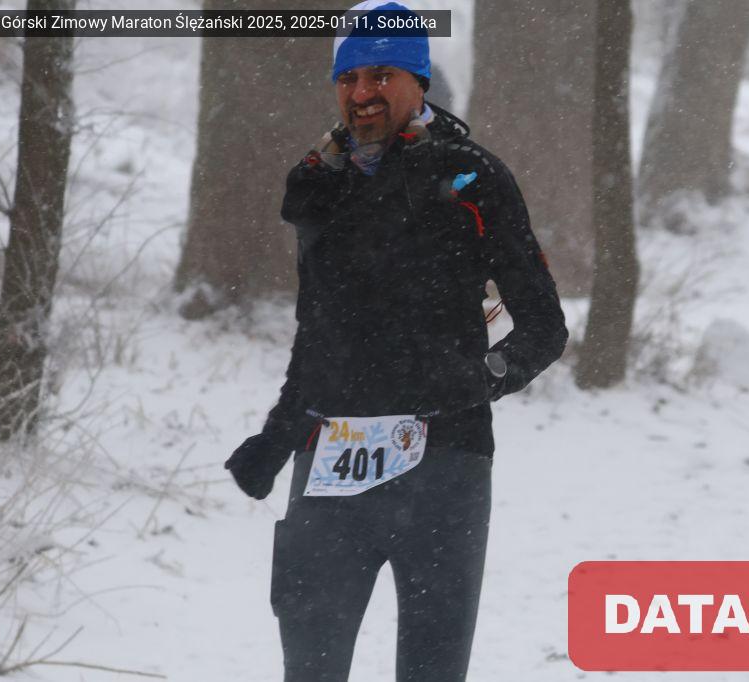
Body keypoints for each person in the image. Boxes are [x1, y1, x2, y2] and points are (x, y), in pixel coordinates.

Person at [224, 2, 567, 680]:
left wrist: (482, 377)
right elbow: (317, 335)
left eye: (380, 75)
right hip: (331, 462)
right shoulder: (323, 183)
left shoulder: (472, 177)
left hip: (445, 467)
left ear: (418, 81)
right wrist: (278, 436)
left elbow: (544, 326)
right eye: (348, 78)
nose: (362, 93)